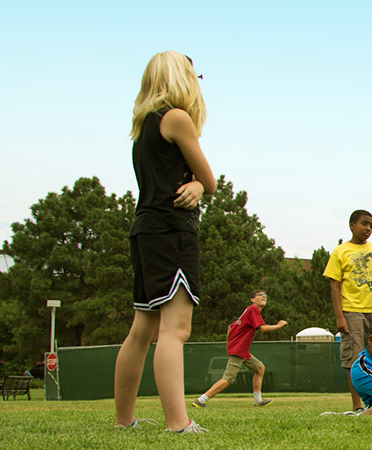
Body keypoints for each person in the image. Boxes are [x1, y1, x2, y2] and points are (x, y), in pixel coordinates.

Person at [113, 51, 216, 433]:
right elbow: (211, 179)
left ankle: (125, 421)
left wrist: (194, 184)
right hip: (172, 231)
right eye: (193, 73)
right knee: (175, 330)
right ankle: (178, 423)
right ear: (179, 77)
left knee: (141, 330)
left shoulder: (144, 126)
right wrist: (198, 184)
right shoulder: (176, 117)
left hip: (145, 230)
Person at [325, 209, 372, 413]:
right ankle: (357, 405)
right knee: (355, 359)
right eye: (364, 224)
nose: (368, 229)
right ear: (352, 225)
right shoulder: (340, 251)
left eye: (371, 225)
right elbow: (335, 286)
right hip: (352, 312)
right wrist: (340, 316)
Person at [192, 290, 287, 408]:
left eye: (265, 295)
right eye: (260, 295)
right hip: (239, 349)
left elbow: (230, 327)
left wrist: (232, 342)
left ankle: (258, 400)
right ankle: (201, 400)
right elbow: (262, 328)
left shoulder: (248, 311)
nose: (264, 296)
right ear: (252, 299)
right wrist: (278, 326)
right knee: (228, 378)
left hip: (240, 348)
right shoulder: (253, 309)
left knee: (259, 368)